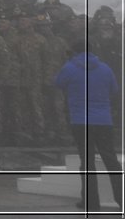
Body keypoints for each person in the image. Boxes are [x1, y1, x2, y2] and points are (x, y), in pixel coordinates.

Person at [53, 37, 123, 212]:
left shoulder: (69, 68)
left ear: (74, 52)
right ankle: (122, 198)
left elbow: (57, 83)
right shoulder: (105, 68)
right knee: (111, 160)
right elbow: (114, 89)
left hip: (80, 120)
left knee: (87, 162)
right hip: (104, 120)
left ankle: (91, 203)